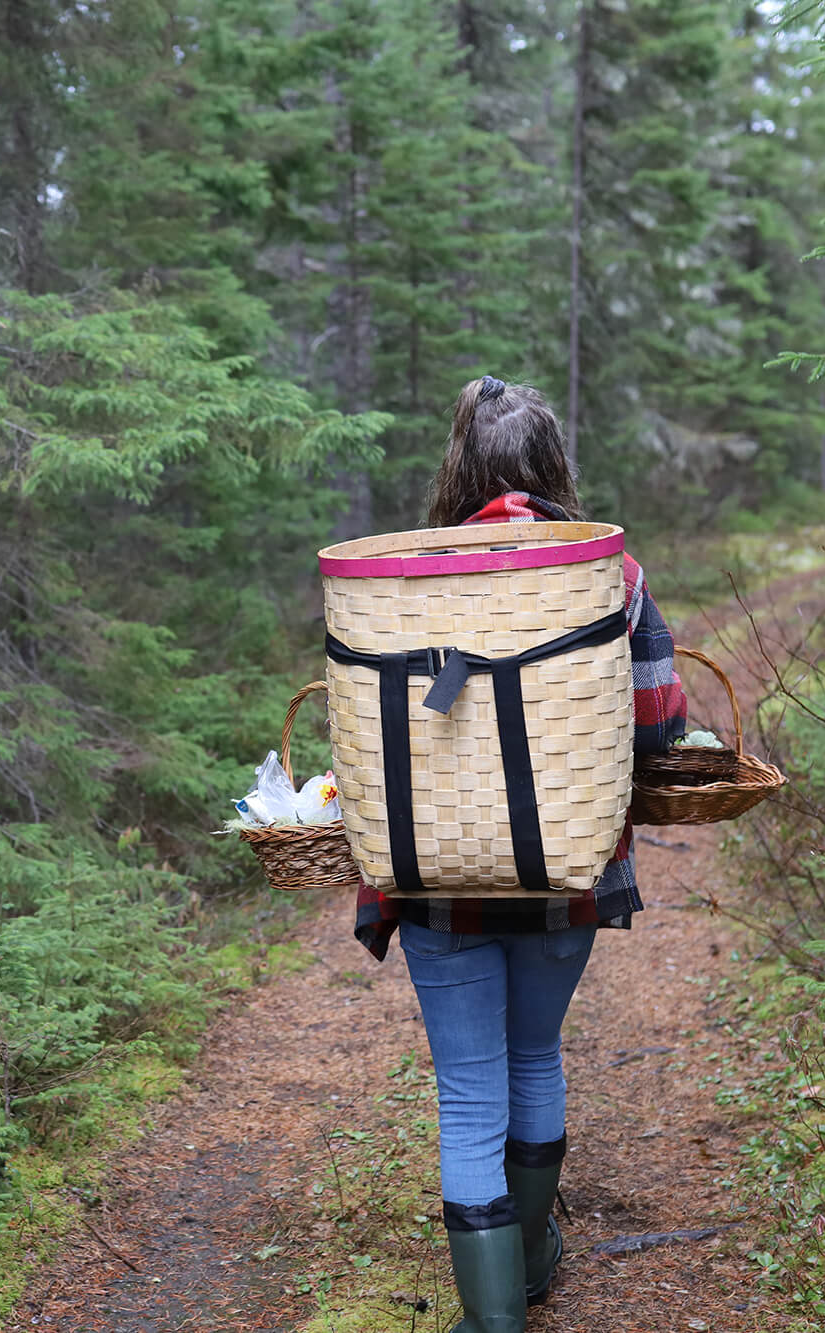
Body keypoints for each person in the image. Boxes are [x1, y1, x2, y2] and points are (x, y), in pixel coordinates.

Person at [352, 376, 687, 1333]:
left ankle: (496, 1318)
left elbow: (363, 734)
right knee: (535, 1054)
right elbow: (661, 726)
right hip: (564, 880)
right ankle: (532, 1260)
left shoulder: (400, 581)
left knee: (467, 1094)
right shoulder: (605, 574)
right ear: (552, 469)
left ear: (459, 466)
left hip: (435, 883)